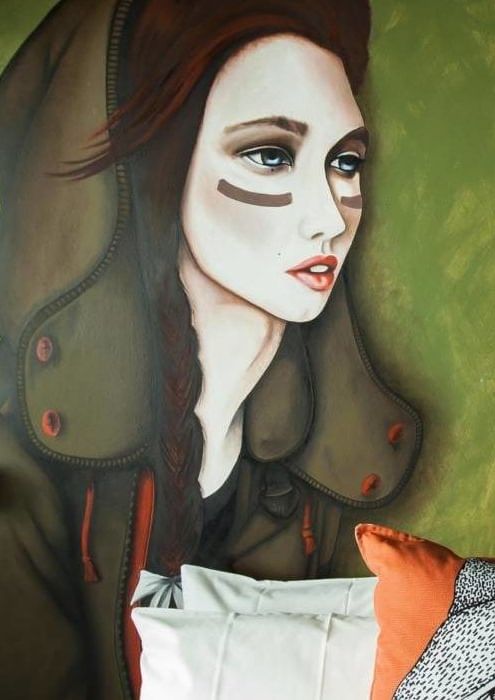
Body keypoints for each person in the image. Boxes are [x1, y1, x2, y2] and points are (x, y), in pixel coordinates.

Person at [0, 0, 422, 697]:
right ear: (162, 166)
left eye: (344, 162)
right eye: (270, 155)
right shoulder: (25, 475)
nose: (328, 216)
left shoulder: (321, 465)